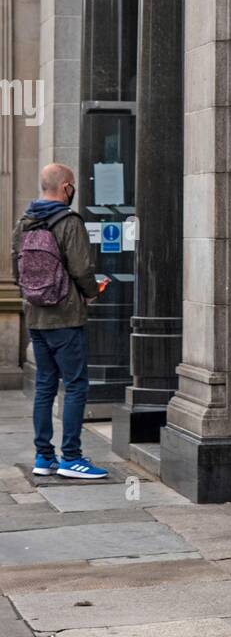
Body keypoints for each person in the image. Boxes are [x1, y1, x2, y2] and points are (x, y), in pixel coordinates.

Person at [11, 163, 109, 480]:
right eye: (73, 186)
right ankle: (72, 457)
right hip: (66, 317)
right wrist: (92, 292)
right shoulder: (69, 222)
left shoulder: (23, 224)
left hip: (36, 317)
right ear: (66, 186)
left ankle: (43, 457)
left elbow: (17, 273)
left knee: (44, 386)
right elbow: (81, 268)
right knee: (76, 386)